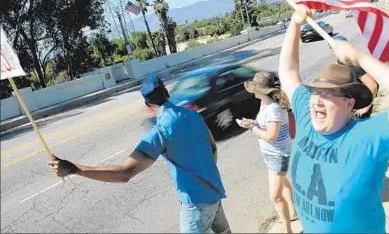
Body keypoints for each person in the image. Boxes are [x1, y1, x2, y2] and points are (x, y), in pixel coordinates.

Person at [278, 5, 389, 233]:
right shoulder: (306, 117)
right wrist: (295, 24)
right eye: (316, 92)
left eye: (328, 94)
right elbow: (288, 72)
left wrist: (360, 58)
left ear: (349, 103)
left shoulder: (364, 137)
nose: (318, 100)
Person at [48, 76, 231, 234]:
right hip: (214, 192)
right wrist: (205, 176)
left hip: (196, 205)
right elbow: (213, 148)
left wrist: (74, 169)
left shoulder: (160, 132)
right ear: (166, 93)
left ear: (147, 103)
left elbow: (124, 173)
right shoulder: (193, 115)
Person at [235, 71, 298, 233]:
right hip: (272, 155)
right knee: (284, 184)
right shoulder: (266, 104)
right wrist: (253, 122)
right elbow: (267, 125)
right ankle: (293, 211)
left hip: (278, 156)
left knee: (275, 197)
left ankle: (288, 230)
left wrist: (251, 128)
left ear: (262, 91)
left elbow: (271, 136)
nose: (252, 90)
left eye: (255, 87)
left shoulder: (273, 109)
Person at [331, 34, 379, 118]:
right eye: (332, 48)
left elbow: (372, 85)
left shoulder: (353, 64)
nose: (334, 51)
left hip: (362, 108)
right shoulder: (342, 62)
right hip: (352, 106)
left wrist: (366, 108)